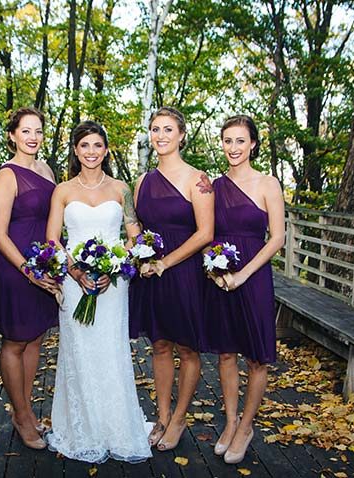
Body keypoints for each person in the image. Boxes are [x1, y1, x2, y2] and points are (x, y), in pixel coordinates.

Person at [44, 121, 151, 463]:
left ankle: (116, 427)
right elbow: (51, 239)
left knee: (111, 350)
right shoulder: (62, 190)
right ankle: (82, 428)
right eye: (84, 145)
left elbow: (135, 237)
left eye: (97, 145)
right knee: (78, 352)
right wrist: (73, 270)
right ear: (76, 151)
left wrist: (117, 266)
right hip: (75, 283)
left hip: (113, 285)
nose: (91, 152)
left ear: (106, 150)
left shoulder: (122, 189)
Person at [129, 106, 214, 451]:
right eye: (154, 129)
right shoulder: (142, 182)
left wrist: (166, 263)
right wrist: (139, 254)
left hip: (184, 272)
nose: (160, 136)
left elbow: (206, 232)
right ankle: (161, 416)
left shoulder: (199, 179)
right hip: (151, 273)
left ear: (181, 135)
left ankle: (179, 418)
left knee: (187, 347)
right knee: (160, 344)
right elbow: (136, 227)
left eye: (167, 129)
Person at [203, 115, 284, 464]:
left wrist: (243, 275)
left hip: (253, 276)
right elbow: (203, 233)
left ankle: (247, 426)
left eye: (240, 140)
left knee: (255, 356)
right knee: (225, 352)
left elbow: (277, 238)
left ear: (252, 144)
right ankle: (230, 420)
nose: (233, 147)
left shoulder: (269, 184)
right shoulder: (213, 187)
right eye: (227, 140)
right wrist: (215, 268)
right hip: (220, 276)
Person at [0, 107, 58, 450]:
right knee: (15, 341)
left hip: (44, 266)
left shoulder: (46, 170)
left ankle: (27, 410)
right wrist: (28, 270)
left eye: (38, 131)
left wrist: (53, 264)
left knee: (36, 338)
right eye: (26, 131)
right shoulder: (6, 176)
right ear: (12, 135)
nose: (33, 137)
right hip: (16, 268)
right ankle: (19, 414)